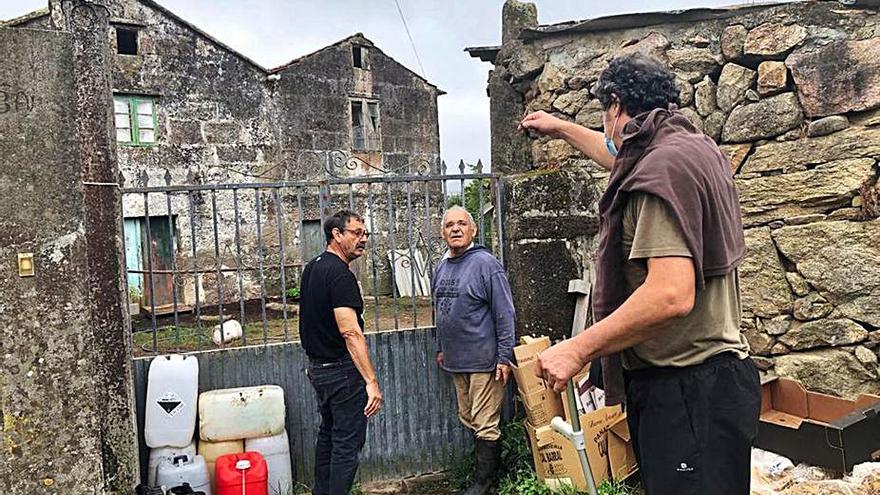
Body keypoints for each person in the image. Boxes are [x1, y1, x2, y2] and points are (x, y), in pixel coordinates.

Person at [520, 53, 761, 495]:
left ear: (615, 105)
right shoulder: (690, 148)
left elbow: (671, 294)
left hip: (685, 393)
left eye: (602, 112)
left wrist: (579, 349)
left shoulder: (659, 170)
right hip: (713, 385)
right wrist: (561, 127)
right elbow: (617, 157)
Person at [433, 206, 516, 495]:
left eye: (461, 224)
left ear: (473, 230)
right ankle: (489, 473)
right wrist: (441, 347)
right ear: (442, 232)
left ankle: (485, 484)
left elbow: (505, 312)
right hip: (456, 361)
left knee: (485, 422)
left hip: (484, 360)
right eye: (449, 225)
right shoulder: (442, 266)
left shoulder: (486, 264)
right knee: (468, 417)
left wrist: (505, 355)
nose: (455, 229)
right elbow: (440, 311)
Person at [299, 210, 383, 495]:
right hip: (341, 373)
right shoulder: (339, 274)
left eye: (365, 234)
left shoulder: (313, 267)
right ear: (336, 234)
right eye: (356, 233)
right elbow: (350, 332)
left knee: (328, 436)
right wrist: (371, 381)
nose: (363, 239)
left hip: (318, 370)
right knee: (347, 445)